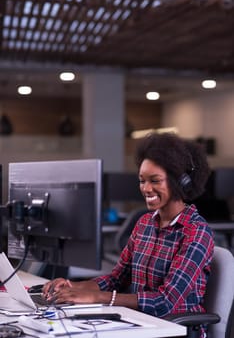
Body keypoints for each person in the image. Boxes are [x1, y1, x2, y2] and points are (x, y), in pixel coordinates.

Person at [43, 132, 214, 337]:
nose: (146, 189)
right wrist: (73, 287)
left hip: (176, 329)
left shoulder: (196, 232)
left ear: (180, 182)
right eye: (142, 180)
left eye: (155, 180)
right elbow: (117, 278)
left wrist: (97, 297)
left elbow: (165, 302)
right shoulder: (144, 223)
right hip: (138, 322)